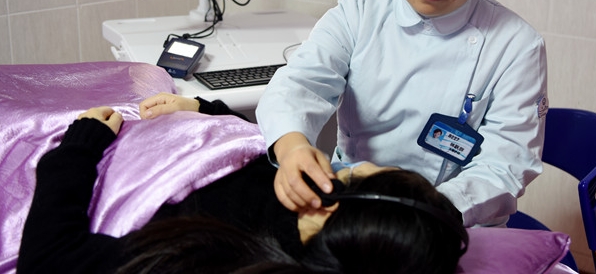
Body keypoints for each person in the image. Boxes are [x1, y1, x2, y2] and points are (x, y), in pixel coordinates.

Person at [255, 0, 548, 228]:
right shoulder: (359, 11)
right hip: (353, 202)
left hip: (451, 220)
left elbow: (506, 164)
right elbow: (300, 85)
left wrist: (423, 212)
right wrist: (292, 146)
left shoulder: (517, 46)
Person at [18, 95, 468, 274]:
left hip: (90, 152)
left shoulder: (208, 254)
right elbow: (256, 153)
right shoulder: (305, 199)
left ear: (332, 206)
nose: (341, 168)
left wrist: (79, 144)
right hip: (175, 126)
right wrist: (204, 109)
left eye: (350, 175)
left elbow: (50, 258)